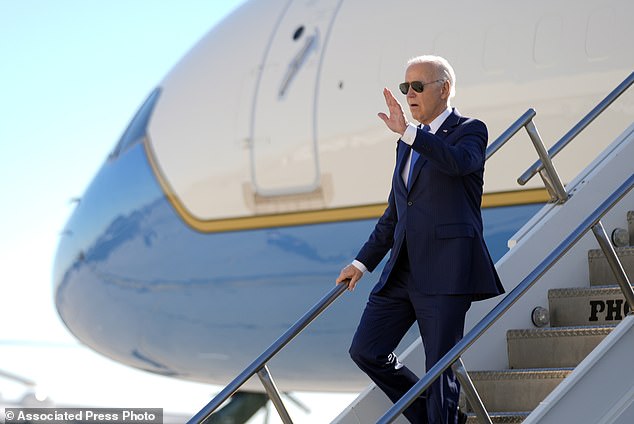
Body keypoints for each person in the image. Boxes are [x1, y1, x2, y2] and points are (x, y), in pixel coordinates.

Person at [336, 55, 504, 424]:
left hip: (446, 271)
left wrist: (409, 133)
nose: (409, 94)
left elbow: (460, 163)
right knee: (366, 350)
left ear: (444, 88)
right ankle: (440, 420)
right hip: (402, 272)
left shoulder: (470, 129)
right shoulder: (407, 144)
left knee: (439, 368)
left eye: (417, 86)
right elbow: (395, 214)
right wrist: (361, 263)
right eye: (405, 87)